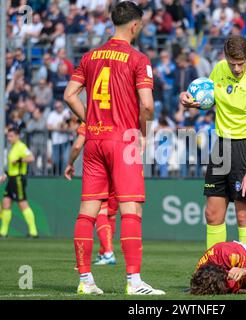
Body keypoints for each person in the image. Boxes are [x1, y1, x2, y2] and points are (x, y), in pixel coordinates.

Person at [63, 1, 164, 295]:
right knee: (131, 209)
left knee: (87, 212)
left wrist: (91, 119)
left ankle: (85, 280)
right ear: (135, 25)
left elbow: (70, 95)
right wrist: (142, 135)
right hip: (123, 140)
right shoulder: (138, 58)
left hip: (94, 140)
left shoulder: (90, 56)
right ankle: (134, 282)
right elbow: (146, 105)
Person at [179, 35, 246, 250]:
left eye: (241, 63)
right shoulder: (220, 69)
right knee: (212, 214)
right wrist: (189, 101)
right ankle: (214, 276)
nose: (237, 68)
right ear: (225, 57)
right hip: (221, 146)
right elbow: (208, 100)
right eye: (233, 63)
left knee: (243, 215)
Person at [64, 122, 118, 266]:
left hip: (100, 165)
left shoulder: (92, 115)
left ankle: (108, 252)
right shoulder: (119, 112)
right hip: (120, 163)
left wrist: (70, 163)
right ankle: (103, 252)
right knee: (111, 213)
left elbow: (77, 145)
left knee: (100, 209)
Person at [0, 128, 38, 238]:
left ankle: (33, 232)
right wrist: (5, 175)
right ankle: (3, 232)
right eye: (8, 136)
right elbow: (11, 166)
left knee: (22, 203)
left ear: (17, 136)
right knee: (6, 202)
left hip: (18, 179)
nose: (8, 138)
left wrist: (20, 160)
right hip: (11, 178)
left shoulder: (21, 146)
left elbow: (31, 158)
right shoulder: (13, 147)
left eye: (11, 136)